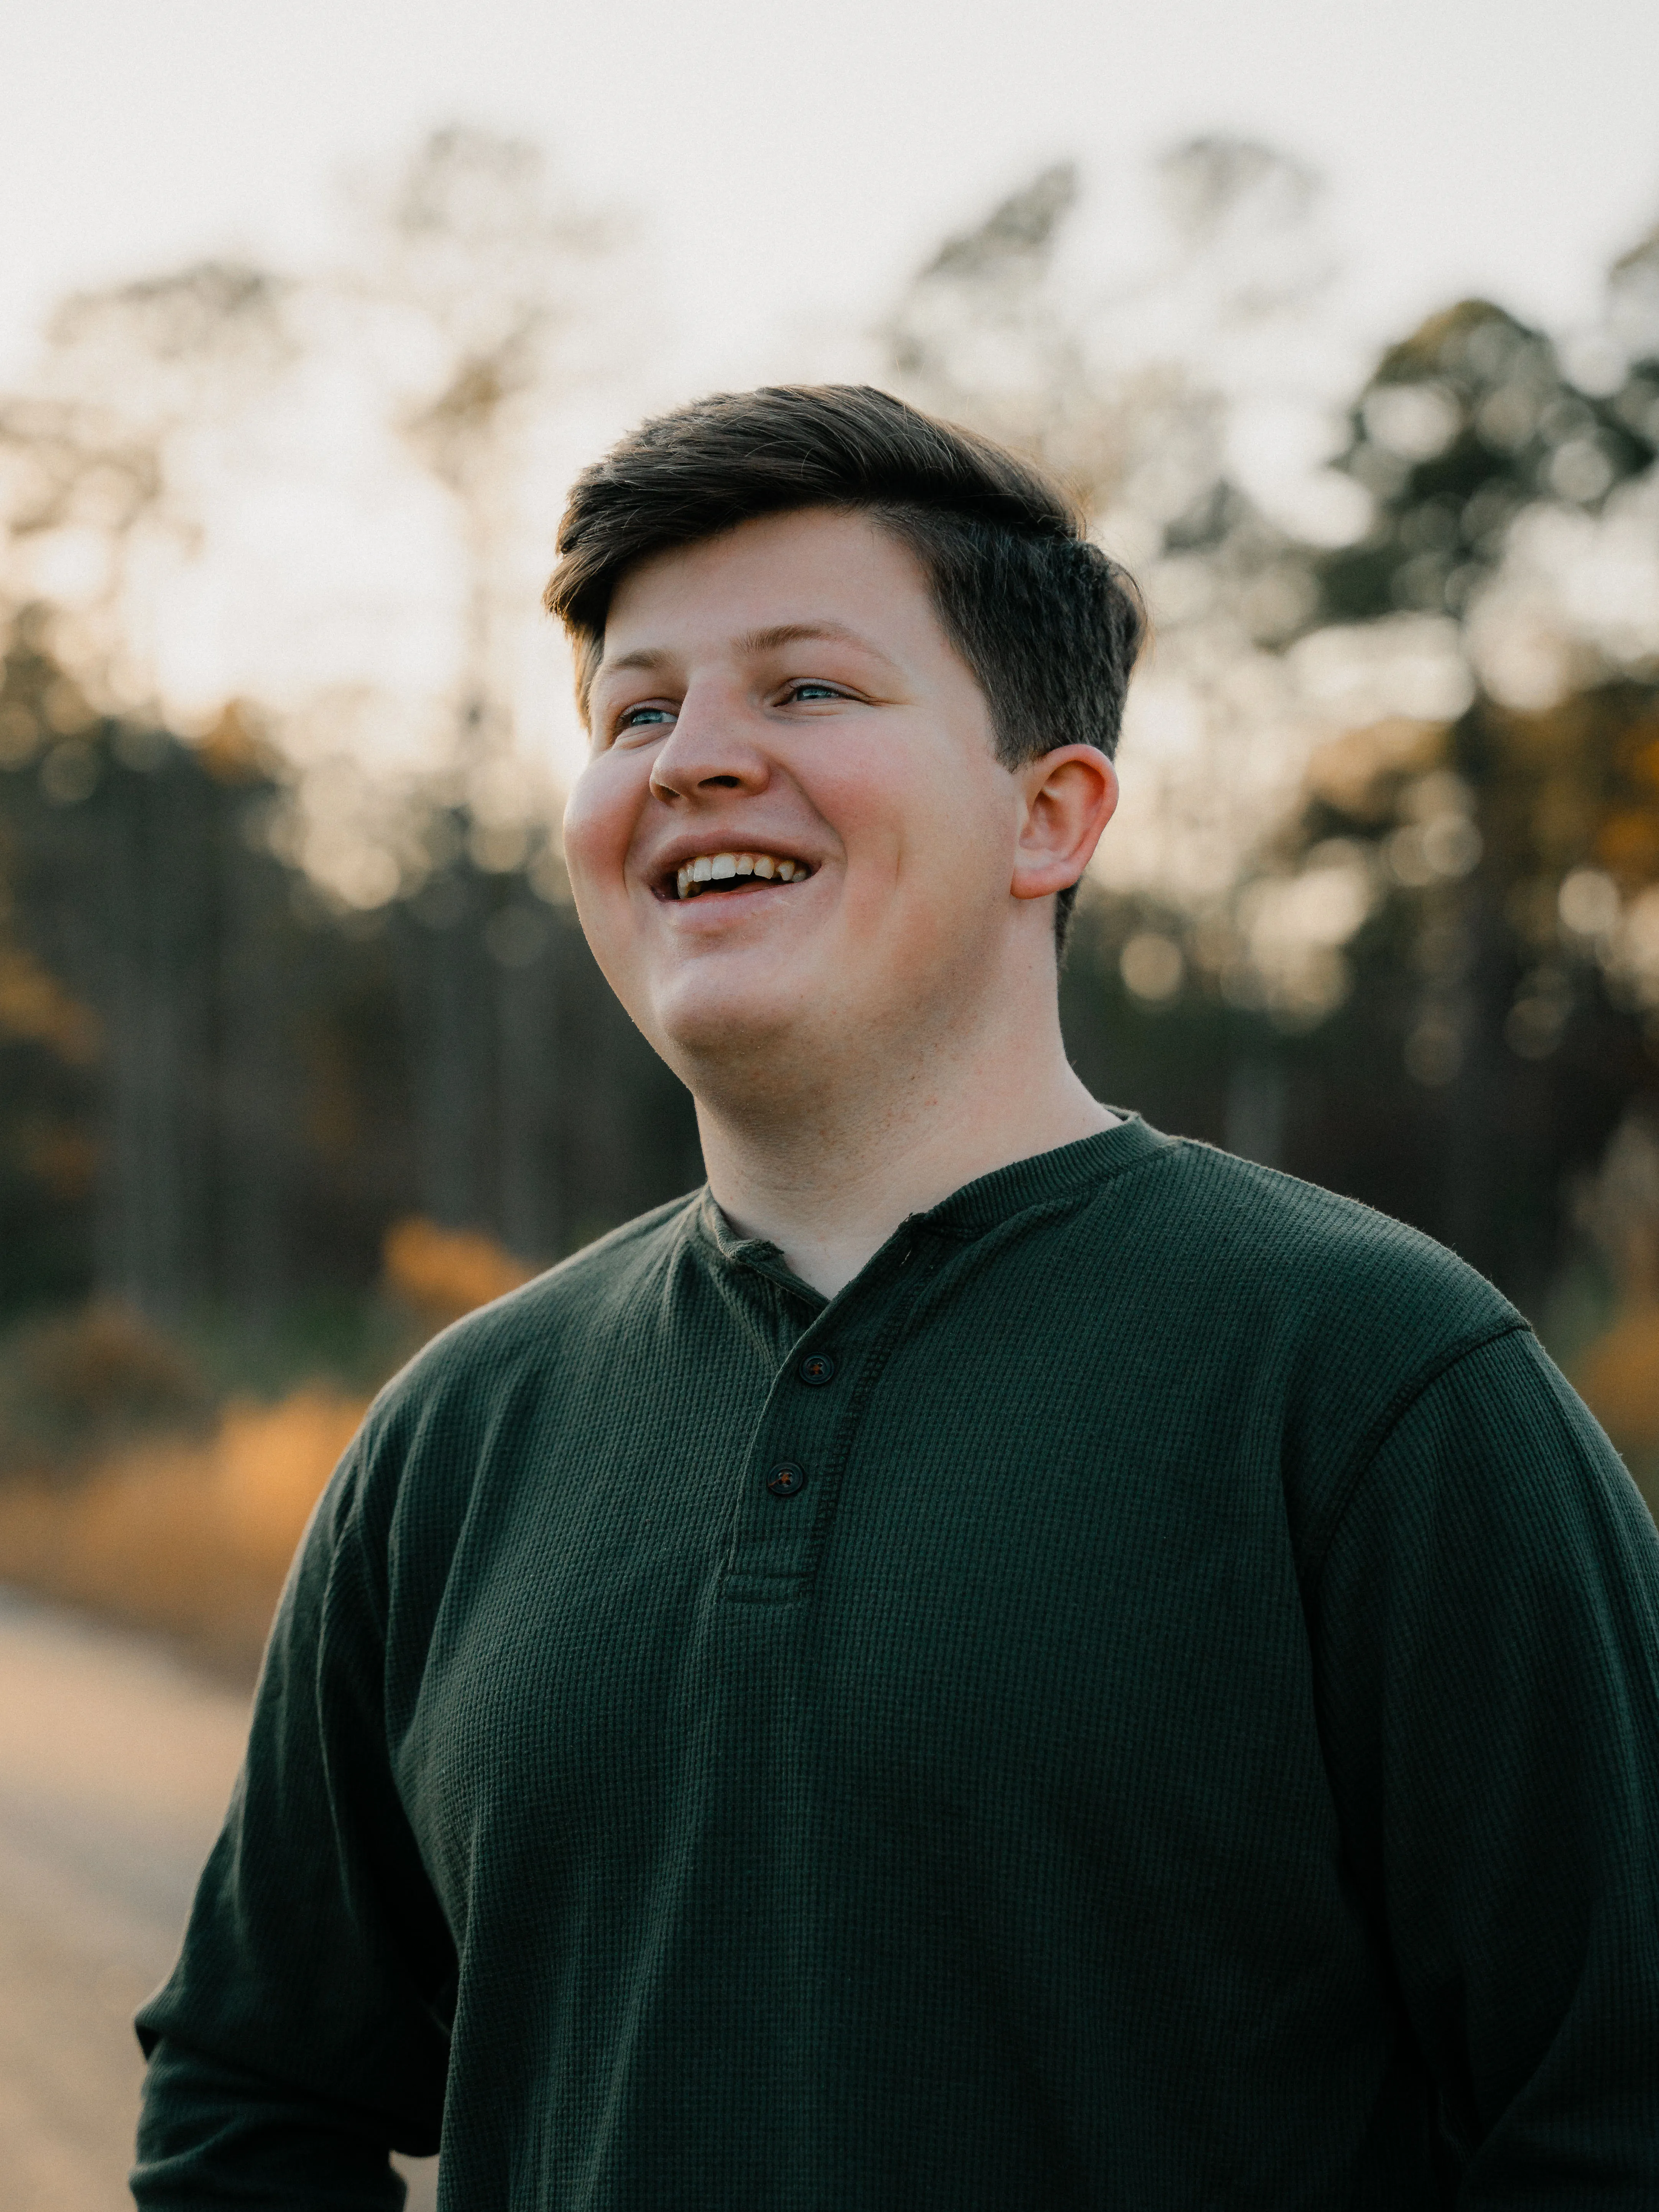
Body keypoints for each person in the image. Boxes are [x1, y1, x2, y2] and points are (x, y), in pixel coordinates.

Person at [133, 386, 1659, 2208]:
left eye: (808, 688)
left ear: (1052, 815)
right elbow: (247, 2093)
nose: (690, 755)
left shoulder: (1382, 1388)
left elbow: (1611, 2120)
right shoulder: (456, 1435)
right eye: (637, 708)